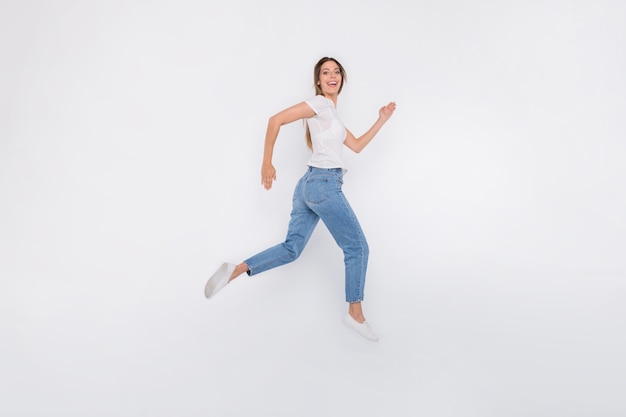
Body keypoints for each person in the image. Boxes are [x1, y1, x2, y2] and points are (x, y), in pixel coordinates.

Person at [205, 57, 396, 341]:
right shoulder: (320, 104)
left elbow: (355, 146)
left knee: (292, 248)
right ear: (318, 82)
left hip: (308, 186)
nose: (332, 76)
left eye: (336, 72)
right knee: (357, 248)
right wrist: (266, 163)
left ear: (342, 79)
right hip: (324, 184)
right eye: (325, 72)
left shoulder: (332, 114)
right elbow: (275, 120)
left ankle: (237, 269)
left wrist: (380, 120)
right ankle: (355, 314)